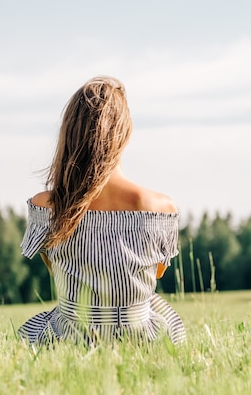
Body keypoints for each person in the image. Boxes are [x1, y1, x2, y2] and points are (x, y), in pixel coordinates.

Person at [17, 76, 185, 346]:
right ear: (125, 134)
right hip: (140, 338)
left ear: (69, 133)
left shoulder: (46, 206)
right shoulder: (160, 208)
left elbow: (55, 270)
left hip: (71, 336)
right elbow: (156, 274)